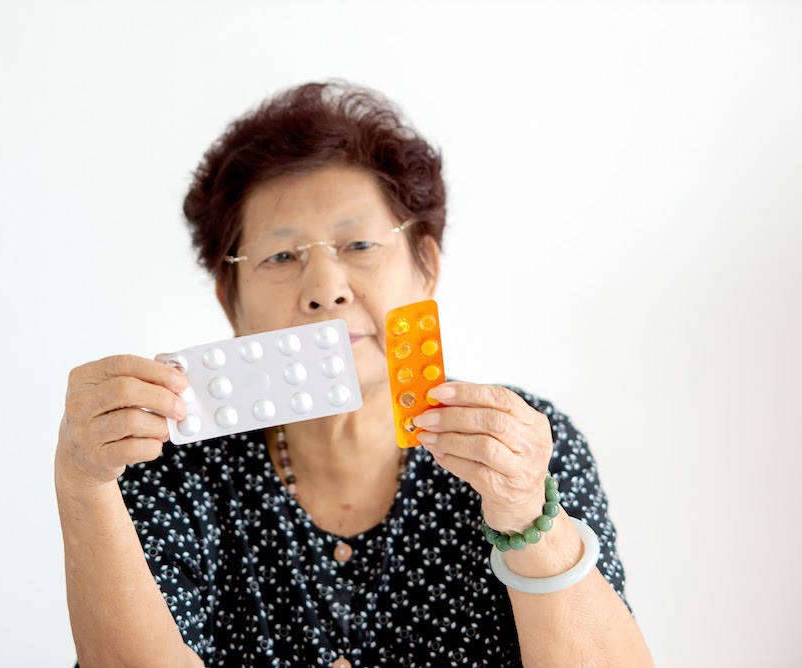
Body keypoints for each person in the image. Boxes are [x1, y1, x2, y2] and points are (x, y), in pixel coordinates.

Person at [55, 81, 653, 667]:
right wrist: (83, 485)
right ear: (229, 300)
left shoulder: (519, 446)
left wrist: (528, 517)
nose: (325, 290)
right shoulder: (172, 462)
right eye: (281, 256)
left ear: (426, 268)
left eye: (361, 245)